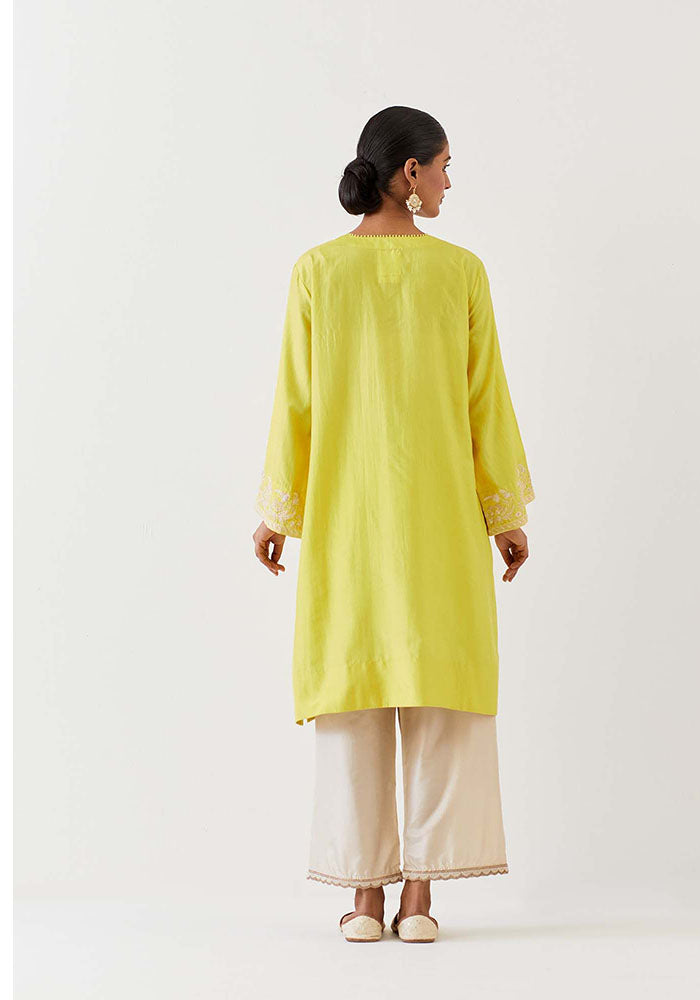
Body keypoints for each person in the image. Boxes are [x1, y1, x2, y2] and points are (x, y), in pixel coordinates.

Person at [252, 106, 535, 943]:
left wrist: (277, 512)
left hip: (352, 524)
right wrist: (504, 512)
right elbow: (486, 403)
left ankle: (372, 900)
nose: (449, 180)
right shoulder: (455, 271)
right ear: (408, 172)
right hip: (435, 522)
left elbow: (295, 403)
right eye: (443, 164)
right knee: (425, 696)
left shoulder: (323, 271)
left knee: (360, 696)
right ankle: (411, 899)